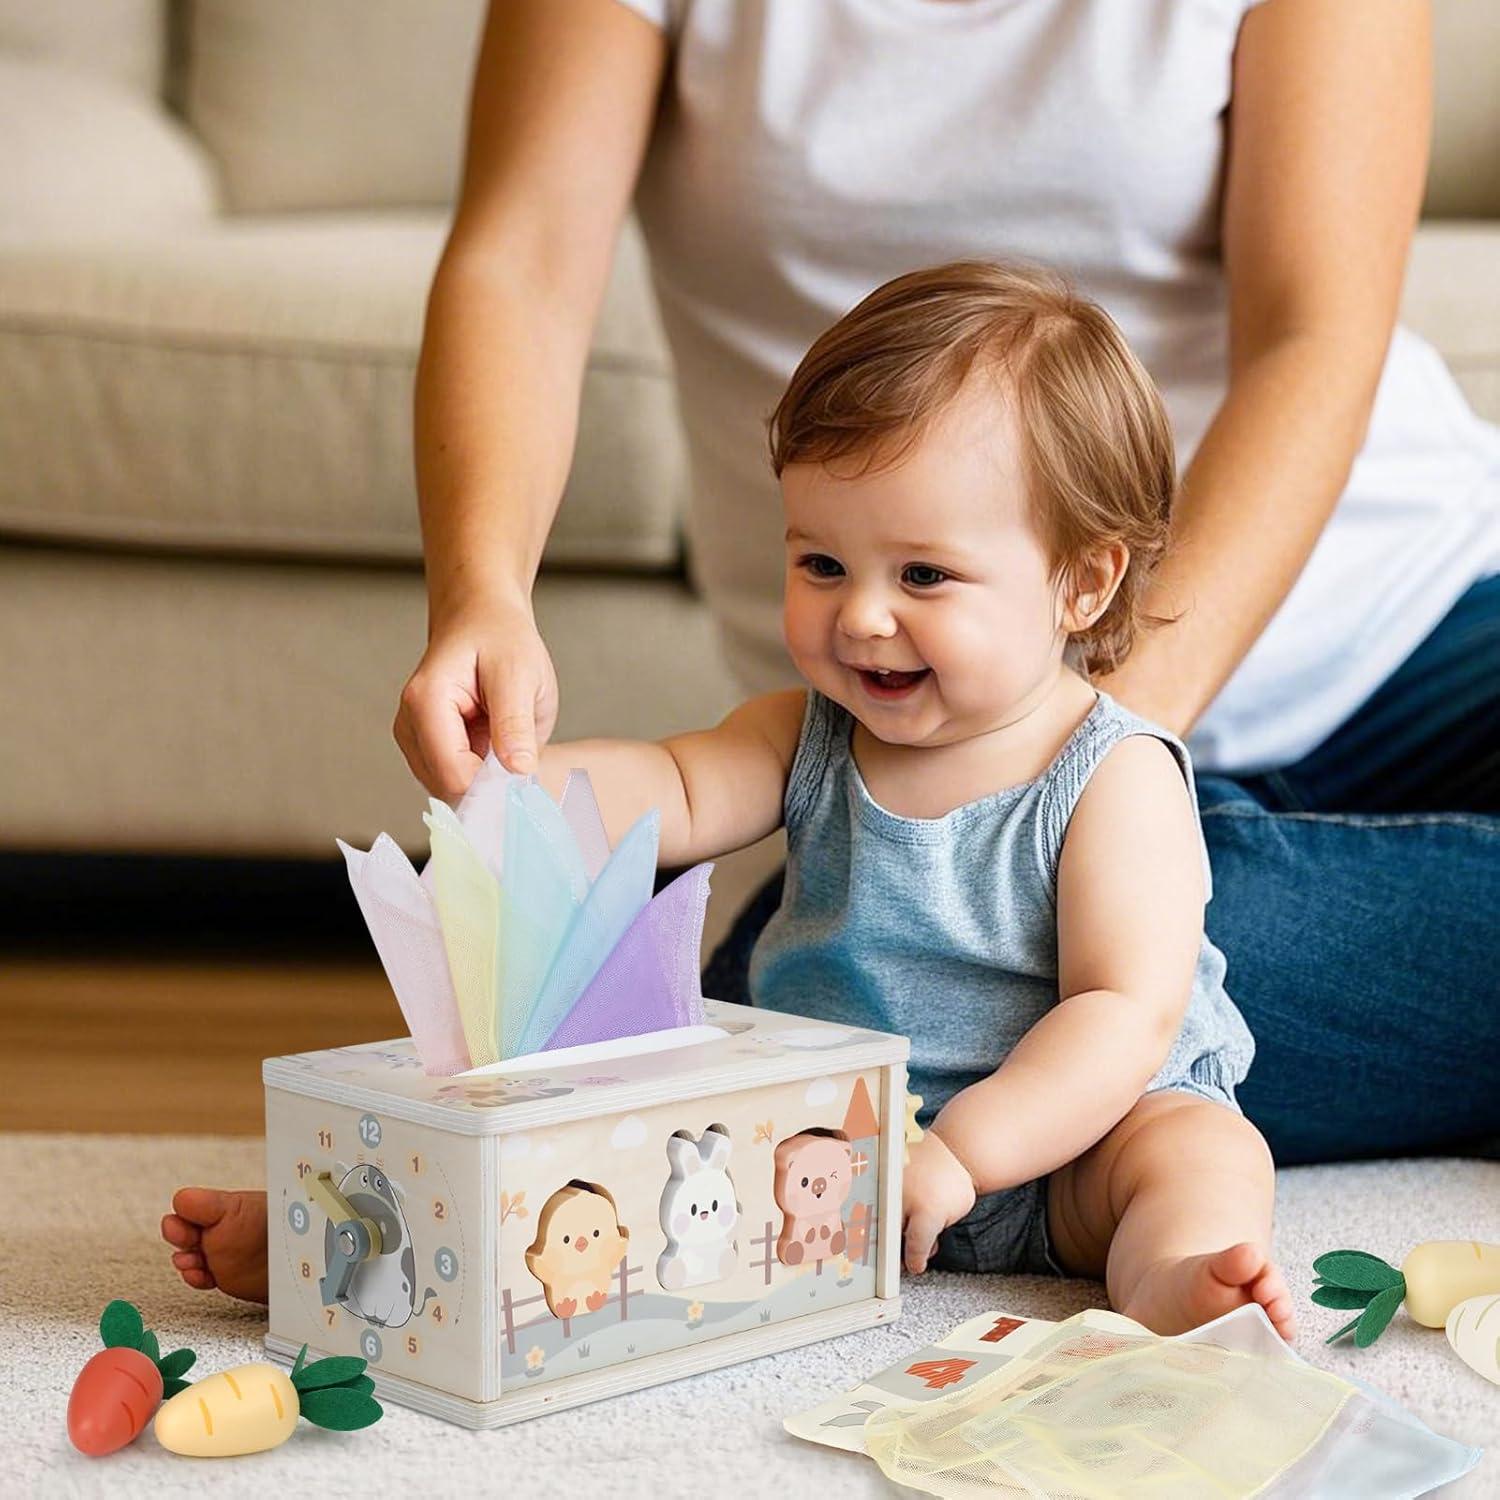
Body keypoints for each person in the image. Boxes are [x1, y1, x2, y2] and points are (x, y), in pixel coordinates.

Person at [392, 0, 1500, 1166]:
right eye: (819, 563)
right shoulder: (824, 735)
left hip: (1410, 633)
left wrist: (1079, 767)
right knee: (919, 1022)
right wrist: (484, 600)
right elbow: (522, 265)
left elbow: (1315, 340)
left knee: (1028, 1002)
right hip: (934, 760)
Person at [168, 263, 1296, 1340]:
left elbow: (1120, 1014)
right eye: (821, 565)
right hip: (817, 1154)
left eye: (922, 576)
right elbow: (670, 785)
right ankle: (349, 1242)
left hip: (1067, 1155)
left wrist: (965, 1152)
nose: (860, 618)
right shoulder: (805, 734)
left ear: (1081, 580)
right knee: (611, 1175)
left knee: (1200, 1155)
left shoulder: (1112, 773)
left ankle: (1173, 1283)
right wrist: (516, 774)